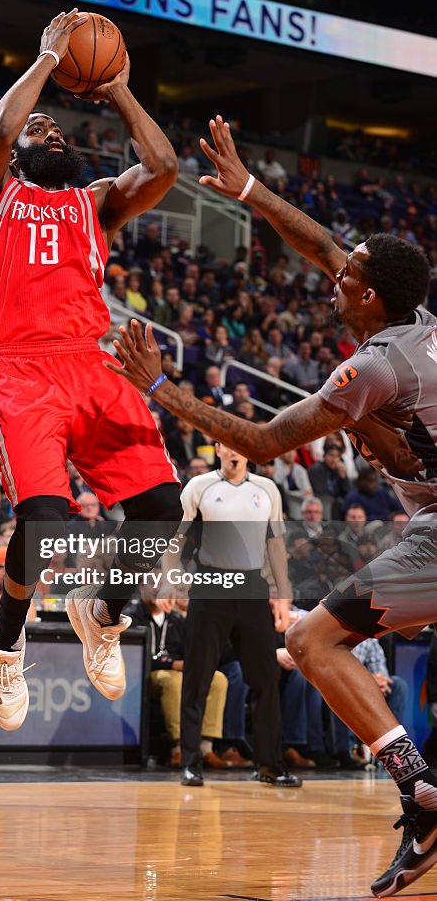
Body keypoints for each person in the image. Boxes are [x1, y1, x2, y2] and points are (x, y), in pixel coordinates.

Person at [111, 114, 437, 898]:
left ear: (368, 297)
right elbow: (326, 245)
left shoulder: (374, 368)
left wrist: (161, 390)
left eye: (345, 280)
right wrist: (251, 190)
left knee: (315, 640)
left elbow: (259, 443)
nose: (332, 280)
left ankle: (421, 792)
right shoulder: (414, 320)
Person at [0, 9, 181, 731]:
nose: (50, 134)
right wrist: (48, 60)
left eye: (58, 131)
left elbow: (163, 168)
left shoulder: (95, 205)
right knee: (46, 521)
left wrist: (118, 88)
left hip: (92, 369)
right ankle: (6, 642)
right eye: (41, 132)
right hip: (19, 373)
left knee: (160, 510)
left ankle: (101, 610)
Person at [162, 442, 300, 788]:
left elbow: (276, 546)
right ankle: (191, 763)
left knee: (266, 679)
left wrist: (283, 593)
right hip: (210, 584)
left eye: (242, 444)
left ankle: (269, 764)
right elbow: (175, 540)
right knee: (198, 676)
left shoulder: (267, 489)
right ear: (218, 449)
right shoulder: (199, 486)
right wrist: (169, 579)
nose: (235, 452)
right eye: (228, 445)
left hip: (253, 587)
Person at [125, 585, 228, 769]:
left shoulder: (176, 619)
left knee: (218, 679)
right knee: (173, 680)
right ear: (141, 588)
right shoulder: (131, 616)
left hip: (179, 670)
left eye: (161, 582)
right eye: (152, 582)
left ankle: (206, 748)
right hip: (146, 674)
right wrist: (172, 664)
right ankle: (178, 747)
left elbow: (191, 651)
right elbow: (132, 655)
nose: (157, 588)